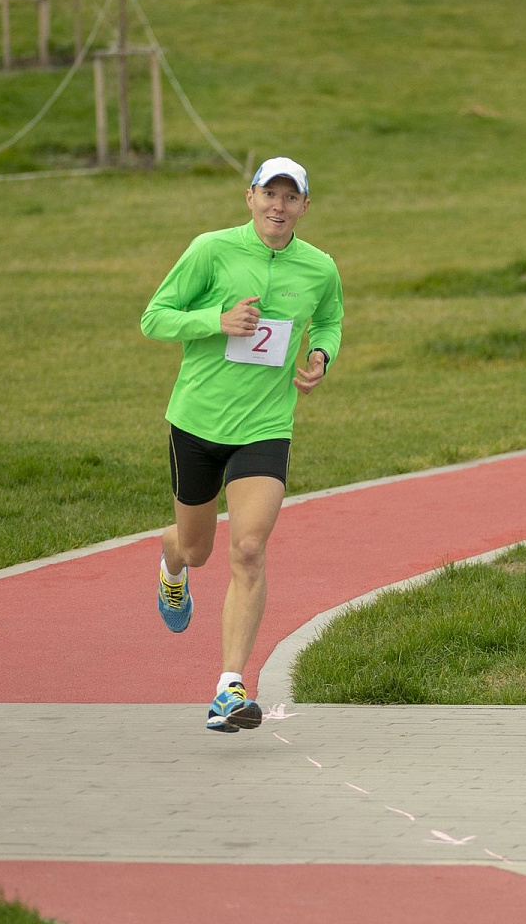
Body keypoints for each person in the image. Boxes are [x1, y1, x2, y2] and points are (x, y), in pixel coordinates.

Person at [140, 157, 344, 732]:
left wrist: (322, 355)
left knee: (249, 549)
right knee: (198, 549)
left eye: (291, 197)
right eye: (269, 194)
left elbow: (329, 319)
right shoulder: (211, 249)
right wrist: (215, 320)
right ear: (249, 197)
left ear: (305, 206)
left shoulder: (319, 267)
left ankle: (230, 687)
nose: (278, 206)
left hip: (265, 427)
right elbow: (154, 318)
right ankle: (171, 559)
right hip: (197, 423)